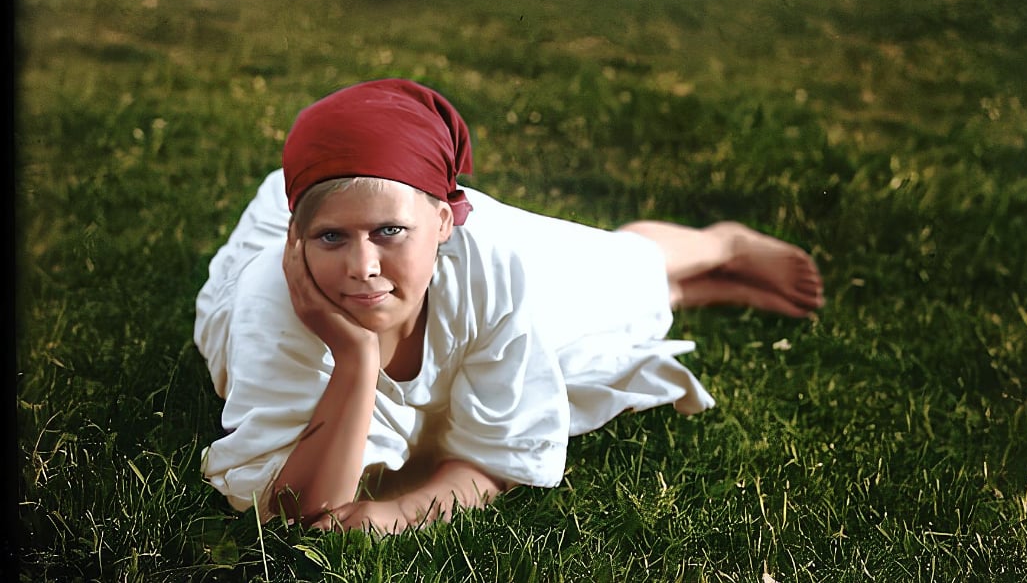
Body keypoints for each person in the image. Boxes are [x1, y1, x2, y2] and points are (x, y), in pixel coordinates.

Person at [194, 78, 824, 534]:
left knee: (615, 278)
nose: (362, 267)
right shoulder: (273, 305)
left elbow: (500, 454)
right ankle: (685, 291)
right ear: (299, 242)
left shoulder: (484, 259)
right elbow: (296, 513)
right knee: (589, 331)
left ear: (445, 221)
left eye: (389, 233)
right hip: (318, 198)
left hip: (420, 220)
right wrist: (356, 361)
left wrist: (401, 512)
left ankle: (718, 244)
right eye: (333, 239)